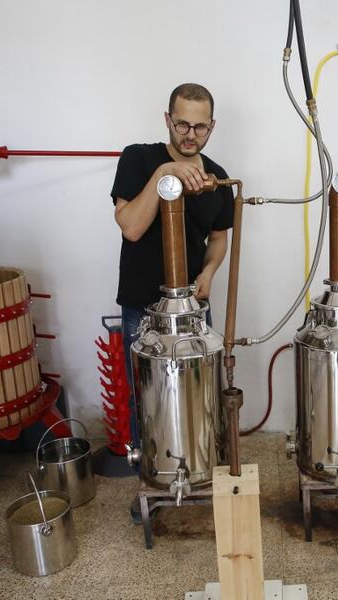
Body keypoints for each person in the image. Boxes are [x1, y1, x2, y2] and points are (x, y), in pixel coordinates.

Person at [110, 82, 234, 473]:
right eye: (182, 124)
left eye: (200, 127)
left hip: (194, 309)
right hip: (144, 307)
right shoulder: (139, 159)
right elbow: (130, 226)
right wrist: (166, 172)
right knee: (147, 400)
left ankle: (200, 471)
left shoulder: (218, 177)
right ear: (168, 120)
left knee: (201, 395)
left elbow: (218, 239)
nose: (190, 135)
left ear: (211, 126)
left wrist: (210, 271)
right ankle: (151, 480)